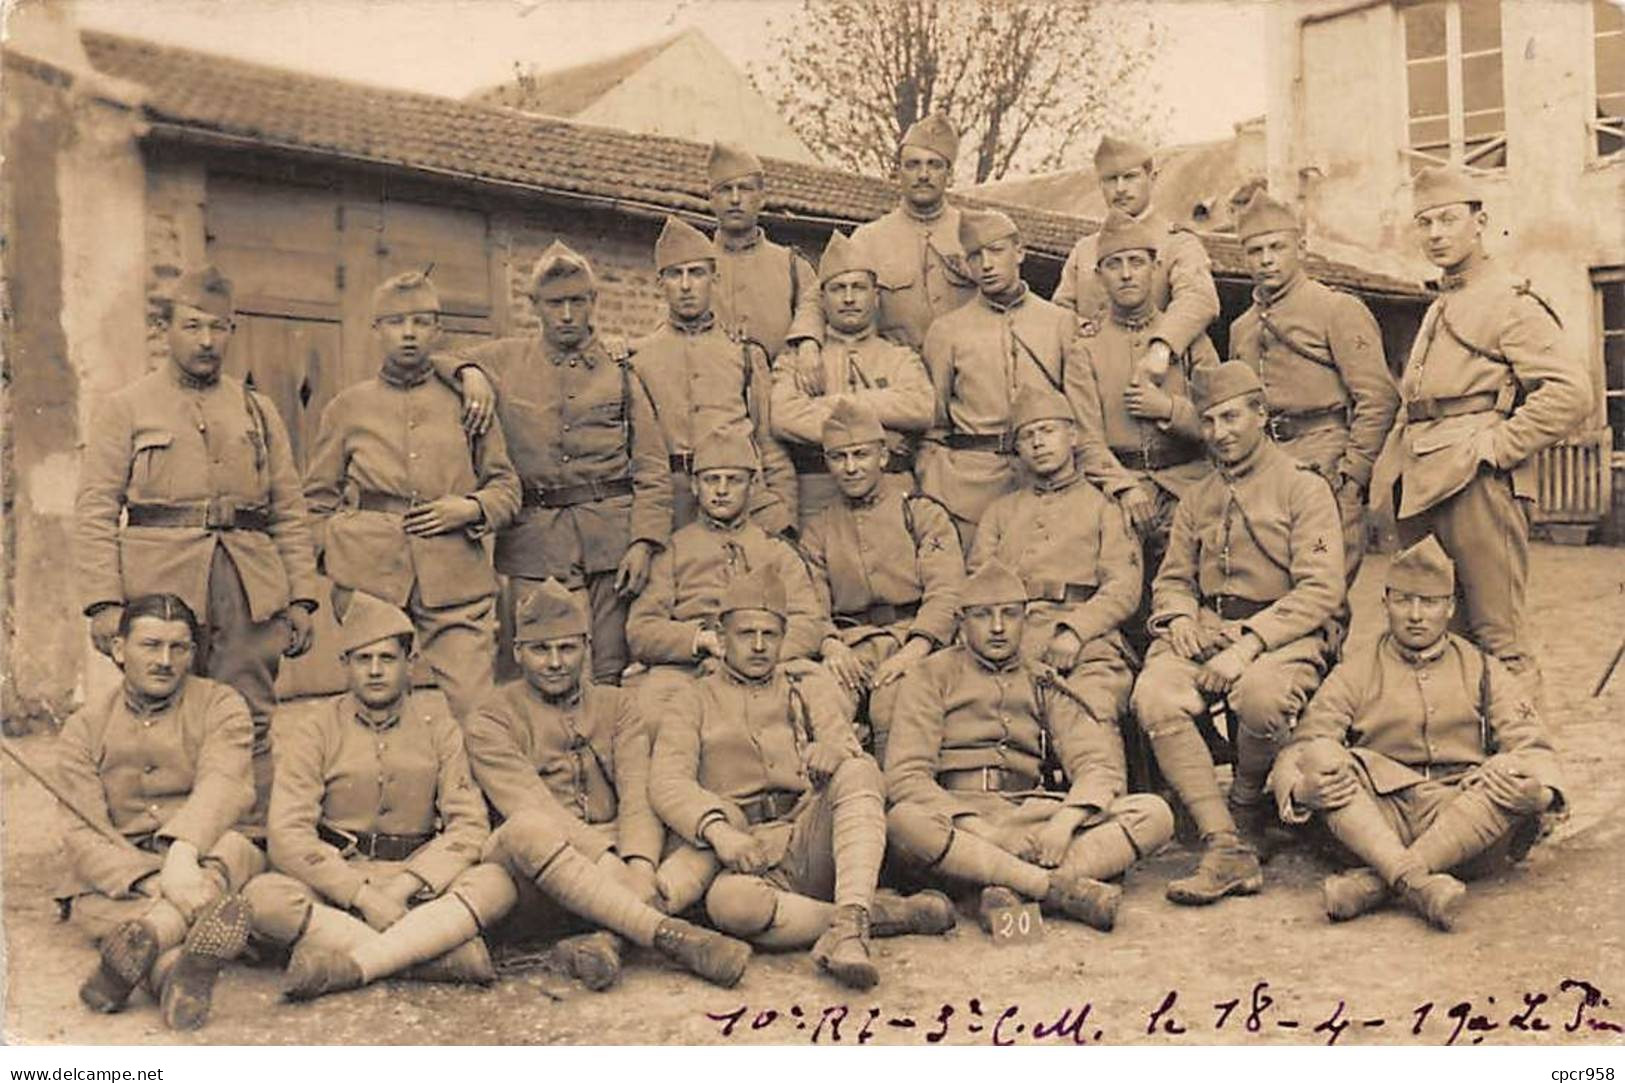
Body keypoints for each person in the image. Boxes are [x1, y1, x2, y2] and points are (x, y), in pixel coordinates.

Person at [75, 266, 321, 824]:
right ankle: (156, 835)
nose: (207, 341)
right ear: (166, 329)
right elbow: (94, 510)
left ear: (232, 330)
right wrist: (104, 602)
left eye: (218, 328)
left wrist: (302, 598)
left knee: (249, 714)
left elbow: (289, 508)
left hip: (247, 585)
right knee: (162, 712)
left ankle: (251, 839)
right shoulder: (126, 407)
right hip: (159, 587)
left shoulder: (259, 410)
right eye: (192, 326)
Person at [650, 568, 956, 990]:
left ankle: (849, 927)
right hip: (745, 849)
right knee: (733, 907)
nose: (758, 646)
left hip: (808, 837)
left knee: (861, 770)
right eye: (745, 634)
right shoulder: (691, 698)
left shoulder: (806, 685)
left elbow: (845, 745)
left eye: (770, 635)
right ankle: (881, 915)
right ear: (721, 638)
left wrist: (835, 751)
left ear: (783, 637)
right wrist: (720, 834)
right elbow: (669, 782)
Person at [464, 579, 751, 990]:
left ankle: (610, 938)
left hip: (620, 854)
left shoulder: (616, 705)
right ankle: (669, 933)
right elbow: (532, 805)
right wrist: (609, 863)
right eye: (540, 650)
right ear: (517, 654)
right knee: (527, 829)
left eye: (567, 648)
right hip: (544, 870)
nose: (555, 662)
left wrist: (639, 864)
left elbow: (638, 792)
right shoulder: (492, 718)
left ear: (586, 648)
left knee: (722, 818)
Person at [1371, 165, 1591, 701]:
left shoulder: (1509, 301)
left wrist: (1496, 446)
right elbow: (1416, 404)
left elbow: (1572, 392)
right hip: (1425, 480)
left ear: (1480, 222)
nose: (1436, 234)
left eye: (1448, 219)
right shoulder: (1442, 302)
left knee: (1500, 637)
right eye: (1424, 223)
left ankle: (1528, 767)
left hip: (1478, 485)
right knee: (1444, 634)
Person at [1130, 361, 1345, 905]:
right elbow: (1174, 578)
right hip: (1206, 629)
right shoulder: (1198, 496)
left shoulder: (1304, 488)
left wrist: (1249, 643)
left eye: (1231, 417)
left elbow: (1321, 590)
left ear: (1261, 415)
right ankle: (1224, 841)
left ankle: (1246, 807)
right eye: (1208, 421)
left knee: (1260, 696)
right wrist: (1179, 617)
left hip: (1283, 631)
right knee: (1155, 695)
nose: (1220, 432)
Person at [1268, 537, 1564, 931]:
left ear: (1450, 607)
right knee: (1324, 756)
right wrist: (1302, 792)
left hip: (1462, 819)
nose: (1415, 615)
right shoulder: (1357, 671)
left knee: (1510, 768)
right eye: (1404, 601)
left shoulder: (1483, 668)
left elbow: (1533, 744)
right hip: (1378, 819)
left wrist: (1539, 793)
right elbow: (1303, 745)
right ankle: (1420, 882)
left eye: (1429, 602)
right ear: (1386, 602)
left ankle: (1380, 881)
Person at [242, 592, 518, 1000]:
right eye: (362, 659)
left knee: (497, 882)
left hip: (417, 881)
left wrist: (403, 887)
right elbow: (287, 833)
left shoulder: (439, 726)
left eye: (387, 660)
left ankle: (349, 959)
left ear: (410, 665)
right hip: (338, 878)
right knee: (262, 898)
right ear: (345, 666)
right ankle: (433, 957)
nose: (374, 671)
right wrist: (362, 896)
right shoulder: (315, 729)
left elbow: (469, 825)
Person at [884, 562, 1174, 933]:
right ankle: (1049, 888)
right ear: (961, 622)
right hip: (961, 821)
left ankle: (1003, 889)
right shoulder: (930, 675)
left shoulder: (1041, 678)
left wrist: (1064, 824)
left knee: (1154, 814)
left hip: (1029, 818)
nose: (998, 627)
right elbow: (906, 776)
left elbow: (1097, 764)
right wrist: (986, 833)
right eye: (983, 616)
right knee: (904, 821)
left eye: (1010, 614)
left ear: (1026, 619)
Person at [430, 242, 671, 685]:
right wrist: (471, 373)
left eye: (577, 302)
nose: (566, 315)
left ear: (593, 303)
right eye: (554, 303)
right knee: (539, 666)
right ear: (535, 306)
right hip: (534, 541)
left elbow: (653, 467)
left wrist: (644, 542)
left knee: (607, 672)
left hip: (610, 543)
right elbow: (437, 357)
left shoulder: (621, 371)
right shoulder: (505, 361)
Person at [302, 271, 521, 720]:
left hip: (456, 577)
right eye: (396, 322)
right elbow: (315, 501)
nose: (408, 333)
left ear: (437, 331)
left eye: (421, 322)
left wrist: (470, 508)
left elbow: (506, 487)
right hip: (370, 578)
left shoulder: (468, 400)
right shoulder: (348, 407)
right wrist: (336, 558)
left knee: (477, 712)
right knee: (374, 707)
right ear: (376, 329)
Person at [55, 594, 261, 1031]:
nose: (165, 660)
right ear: (118, 649)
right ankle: (172, 974)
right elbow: (80, 829)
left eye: (179, 648)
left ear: (192, 653)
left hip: (205, 856)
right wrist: (150, 880)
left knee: (236, 848)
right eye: (150, 645)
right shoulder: (84, 727)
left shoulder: (222, 704)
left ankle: (147, 947)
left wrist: (183, 857)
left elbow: (224, 785)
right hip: (126, 870)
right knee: (91, 901)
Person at [1228, 191, 1399, 581]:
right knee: (1269, 585)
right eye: (1255, 251)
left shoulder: (1336, 309)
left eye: (1277, 247)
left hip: (1325, 460)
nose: (1266, 259)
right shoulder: (1242, 328)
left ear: (1300, 247)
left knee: (1324, 589)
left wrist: (1352, 475)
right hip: (1264, 467)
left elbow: (1378, 398)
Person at [799, 399, 965, 761]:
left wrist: (915, 648)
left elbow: (946, 591)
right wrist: (830, 645)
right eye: (838, 458)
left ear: (883, 458)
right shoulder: (820, 527)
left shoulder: (919, 513)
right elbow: (808, 602)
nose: (851, 467)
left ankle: (900, 799)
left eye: (861, 455)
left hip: (910, 638)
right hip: (850, 646)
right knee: (820, 705)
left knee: (894, 703)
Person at [969, 383, 1141, 730]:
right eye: (1027, 436)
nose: (1037, 442)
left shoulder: (1105, 507)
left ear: (1073, 436)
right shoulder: (1000, 512)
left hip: (1087, 643)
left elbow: (1123, 588)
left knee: (1092, 708)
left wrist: (1075, 632)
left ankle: (1099, 781)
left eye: (1048, 430)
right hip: (1011, 640)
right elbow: (977, 585)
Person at [916, 208, 1092, 548]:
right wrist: (935, 479)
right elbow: (933, 424)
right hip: (969, 485)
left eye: (996, 251)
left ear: (1020, 252)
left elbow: (1081, 416)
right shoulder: (947, 331)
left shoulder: (1059, 322)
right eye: (975, 256)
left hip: (1046, 477)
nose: (986, 264)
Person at [1069, 211, 1215, 592]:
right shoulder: (1084, 348)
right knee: (1119, 583)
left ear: (1156, 268)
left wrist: (1169, 410)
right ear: (1099, 276)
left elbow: (1220, 420)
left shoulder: (1188, 340)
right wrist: (1125, 488)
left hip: (1189, 484)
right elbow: (1085, 439)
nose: (1127, 274)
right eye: (1114, 265)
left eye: (1137, 262)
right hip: (1120, 488)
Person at [625, 424, 829, 692]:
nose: (721, 490)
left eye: (733, 480)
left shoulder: (776, 550)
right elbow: (641, 629)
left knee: (821, 690)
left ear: (753, 485)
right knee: (653, 703)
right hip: (691, 672)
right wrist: (700, 640)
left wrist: (750, 656)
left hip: (767, 665)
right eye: (711, 480)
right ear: (695, 486)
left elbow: (808, 622)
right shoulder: (673, 550)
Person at [630, 214, 797, 536]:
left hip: (742, 502)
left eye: (697, 273)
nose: (686, 285)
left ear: (714, 279)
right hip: (672, 504)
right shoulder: (639, 358)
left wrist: (785, 517)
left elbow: (769, 445)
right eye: (675, 274)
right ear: (659, 283)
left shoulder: (745, 355)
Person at [769, 230, 935, 526]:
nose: (848, 298)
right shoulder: (797, 360)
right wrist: (882, 428)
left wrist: (832, 405)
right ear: (822, 298)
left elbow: (920, 407)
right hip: (819, 496)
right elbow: (784, 416)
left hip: (893, 492)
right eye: (837, 289)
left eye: (858, 288)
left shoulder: (900, 357)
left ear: (876, 295)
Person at [1050, 134, 1219, 377]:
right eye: (1110, 180)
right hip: (1095, 378)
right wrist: (1081, 329)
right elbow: (1061, 312)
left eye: (1130, 177)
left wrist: (1163, 346)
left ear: (1152, 178)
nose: (1120, 189)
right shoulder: (1085, 250)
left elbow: (1199, 300)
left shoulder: (1178, 243)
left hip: (1161, 374)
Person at [848, 113, 978, 349]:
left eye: (934, 165)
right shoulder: (867, 239)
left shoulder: (976, 232)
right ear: (898, 172)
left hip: (967, 374)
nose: (923, 175)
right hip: (898, 375)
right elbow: (823, 298)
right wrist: (808, 344)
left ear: (950, 174)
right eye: (913, 165)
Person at [705, 140, 824, 376]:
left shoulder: (793, 266)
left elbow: (816, 312)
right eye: (725, 189)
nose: (735, 199)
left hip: (778, 394)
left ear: (762, 197)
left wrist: (810, 344)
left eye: (745, 189)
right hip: (712, 394)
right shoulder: (693, 266)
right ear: (711, 199)